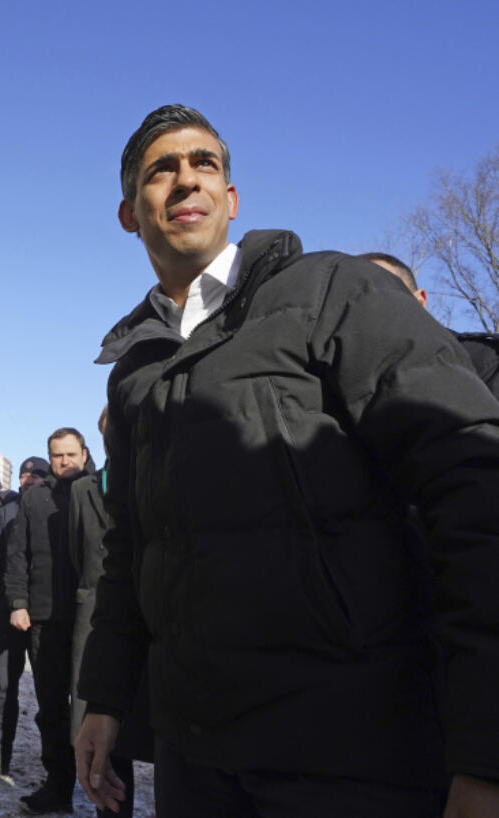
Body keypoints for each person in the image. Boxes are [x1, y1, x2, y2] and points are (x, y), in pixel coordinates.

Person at [77, 104, 499, 817]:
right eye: (162, 171)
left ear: (231, 200)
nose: (186, 181)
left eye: (203, 164)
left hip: (350, 758)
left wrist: (485, 754)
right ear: (130, 213)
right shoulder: (135, 373)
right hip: (197, 765)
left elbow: (473, 484)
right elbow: (131, 550)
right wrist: (107, 696)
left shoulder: (330, 291)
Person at [68, 408, 151, 818]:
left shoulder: (157, 475)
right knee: (106, 736)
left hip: (153, 621)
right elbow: (75, 557)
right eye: (109, 433)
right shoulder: (84, 489)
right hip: (100, 625)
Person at [4, 429, 93, 814]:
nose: (64, 462)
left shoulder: (97, 493)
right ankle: (58, 786)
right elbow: (17, 555)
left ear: (85, 455)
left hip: (91, 621)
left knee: (92, 706)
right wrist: (18, 602)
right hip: (45, 618)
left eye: (71, 454)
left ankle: (102, 786)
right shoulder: (35, 498)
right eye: (57, 455)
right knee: (52, 709)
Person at [0, 457, 43, 779]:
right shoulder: (7, 511)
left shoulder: (57, 507)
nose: (28, 479)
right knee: (2, 684)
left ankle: (58, 768)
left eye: (36, 475)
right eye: (24, 475)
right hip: (6, 611)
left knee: (51, 692)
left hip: (44, 614)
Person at [360, 251, 499, 400]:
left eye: (381, 290)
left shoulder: (485, 362)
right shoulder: (339, 381)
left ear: (419, 301)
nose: (371, 305)